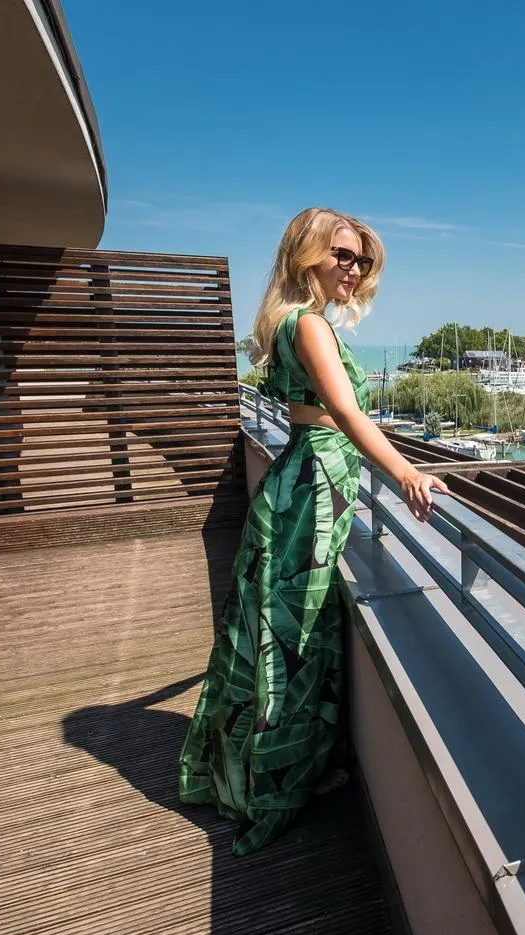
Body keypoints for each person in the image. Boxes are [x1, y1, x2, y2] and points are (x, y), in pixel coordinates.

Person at [179, 207, 447, 855]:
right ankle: (274, 781)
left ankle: (267, 769)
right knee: (291, 635)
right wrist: (408, 471)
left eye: (361, 259)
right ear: (308, 258)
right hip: (314, 489)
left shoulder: (288, 323)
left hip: (301, 481)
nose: (354, 269)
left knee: (274, 627)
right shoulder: (311, 327)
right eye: (343, 256)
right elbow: (347, 413)